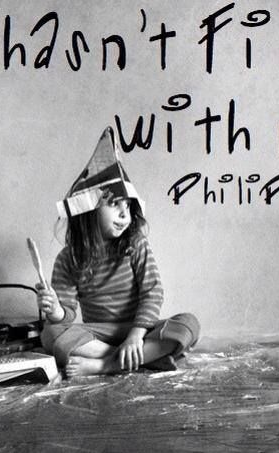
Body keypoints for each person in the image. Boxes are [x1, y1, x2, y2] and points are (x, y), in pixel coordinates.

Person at [37, 127, 200, 377]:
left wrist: (135, 336)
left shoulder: (136, 244)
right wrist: (56, 310)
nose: (125, 214)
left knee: (188, 324)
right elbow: (66, 317)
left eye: (128, 206)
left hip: (138, 330)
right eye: (114, 204)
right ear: (89, 211)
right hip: (98, 334)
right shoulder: (67, 259)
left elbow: (152, 293)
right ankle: (143, 358)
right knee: (50, 334)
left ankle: (108, 365)